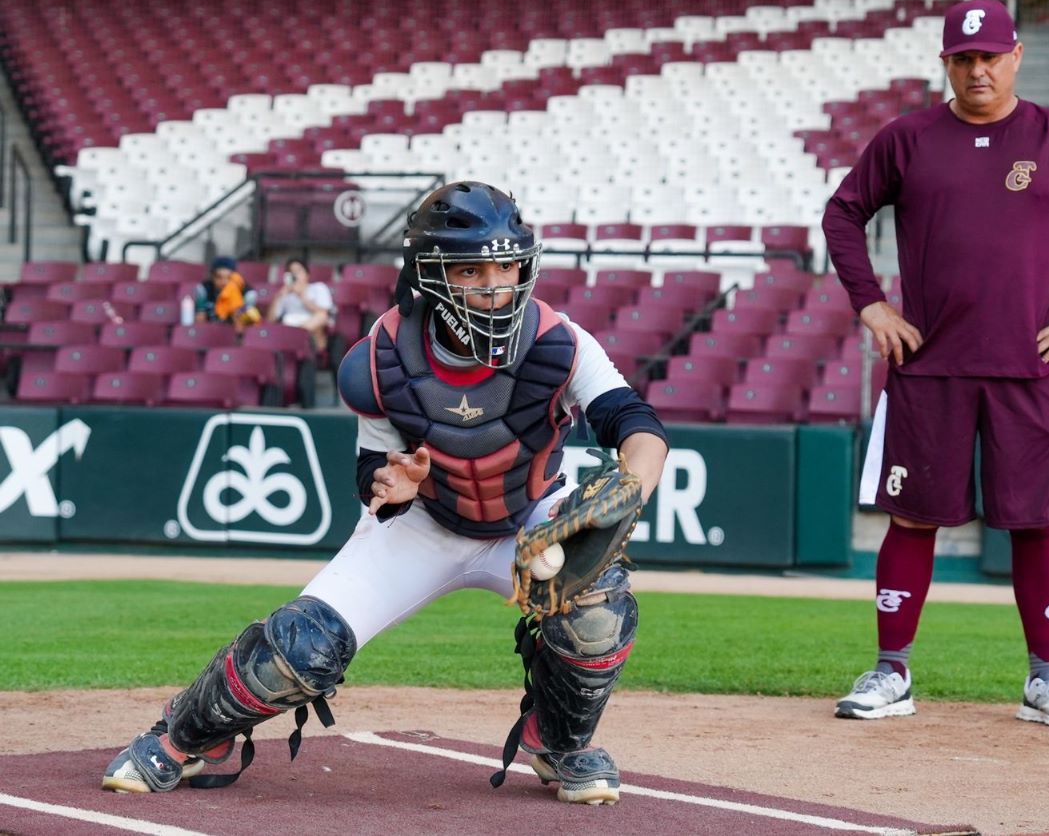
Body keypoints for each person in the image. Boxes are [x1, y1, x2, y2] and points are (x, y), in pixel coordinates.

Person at [102, 181, 670, 804]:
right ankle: (186, 734)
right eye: (473, 270)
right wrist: (393, 484)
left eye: (507, 266)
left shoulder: (561, 342)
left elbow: (638, 426)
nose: (496, 285)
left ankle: (558, 742)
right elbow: (373, 478)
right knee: (301, 648)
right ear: (430, 275)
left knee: (599, 608)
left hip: (531, 523)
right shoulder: (379, 359)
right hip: (422, 524)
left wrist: (630, 489)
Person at [822, 0, 1049, 728]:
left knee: (1035, 523)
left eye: (991, 57)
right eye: (964, 58)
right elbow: (842, 214)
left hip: (1027, 367)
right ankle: (891, 673)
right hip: (928, 367)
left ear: (1016, 57)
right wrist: (871, 303)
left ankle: (1045, 682)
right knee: (912, 520)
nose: (978, 69)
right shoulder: (906, 139)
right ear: (946, 62)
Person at [267, 258, 335, 354]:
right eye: (291, 271)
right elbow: (271, 320)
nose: (295, 274)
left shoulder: (318, 287)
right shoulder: (285, 293)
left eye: (298, 271)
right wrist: (277, 297)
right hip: (290, 324)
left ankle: (297, 336)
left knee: (322, 316)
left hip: (312, 325)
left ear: (307, 275)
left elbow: (324, 312)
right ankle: (296, 337)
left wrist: (302, 296)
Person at [193, 256, 260, 329]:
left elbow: (244, 325)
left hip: (234, 333)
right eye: (219, 277)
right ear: (212, 276)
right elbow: (200, 319)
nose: (224, 282)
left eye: (229, 277)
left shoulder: (248, 293)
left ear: (235, 277)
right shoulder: (203, 289)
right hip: (209, 332)